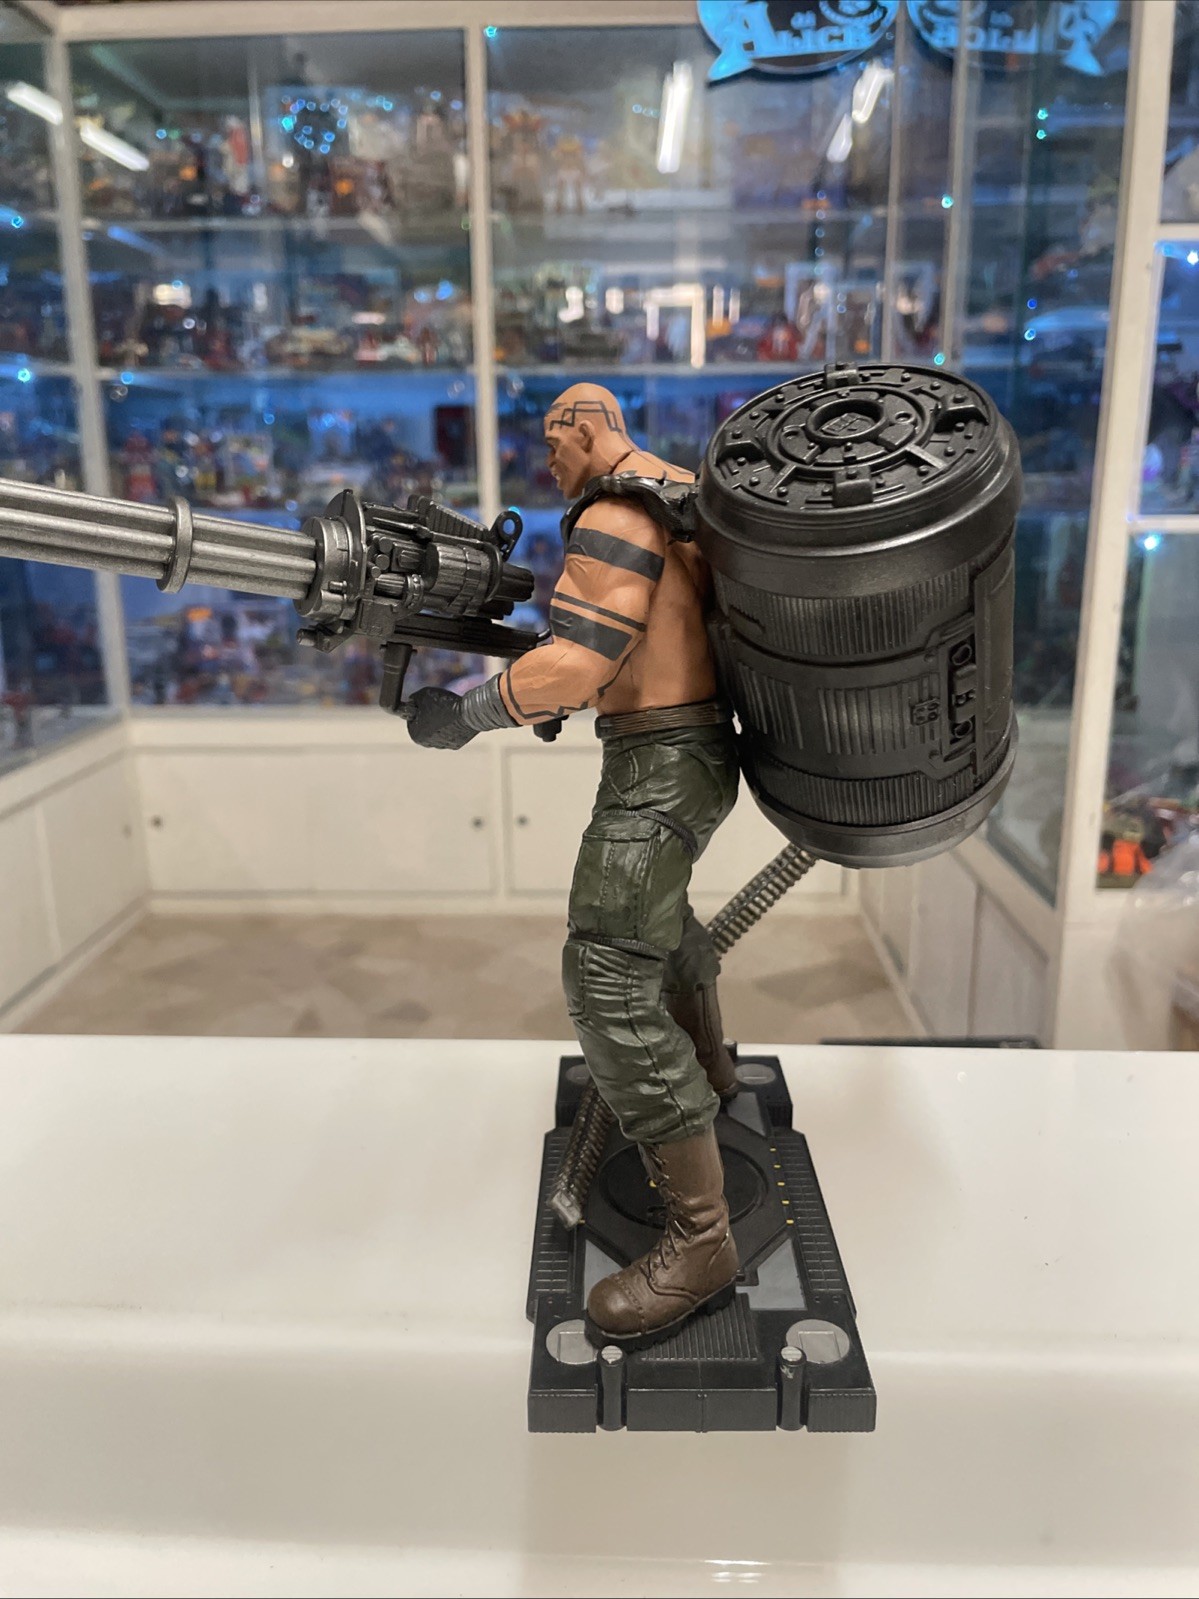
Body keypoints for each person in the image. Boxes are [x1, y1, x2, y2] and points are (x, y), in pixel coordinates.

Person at [404, 383, 742, 1352]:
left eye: (552, 444)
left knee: (604, 972)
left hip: (661, 760)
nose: (547, 464)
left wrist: (467, 713)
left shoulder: (612, 511)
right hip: (691, 748)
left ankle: (702, 1241)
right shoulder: (675, 491)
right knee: (655, 925)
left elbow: (582, 660)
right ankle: (708, 1069)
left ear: (585, 428)